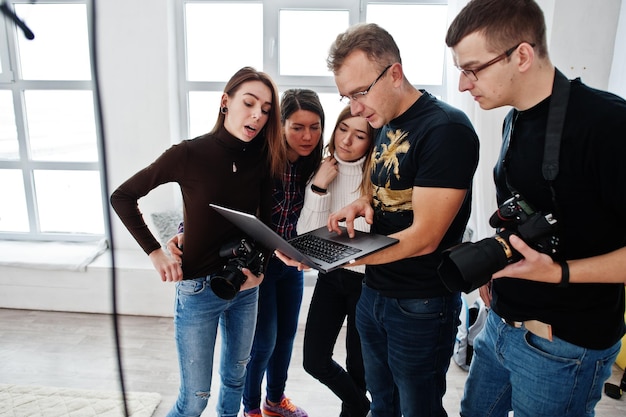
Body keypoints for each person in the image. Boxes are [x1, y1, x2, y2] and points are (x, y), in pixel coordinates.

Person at [276, 23, 480, 417]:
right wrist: (362, 204)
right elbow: (387, 185)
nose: (354, 108)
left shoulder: (446, 130)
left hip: (420, 301)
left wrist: (339, 257)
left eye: (358, 93)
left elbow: (424, 237)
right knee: (381, 402)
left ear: (395, 74)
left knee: (416, 407)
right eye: (346, 97)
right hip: (375, 293)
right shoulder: (385, 121)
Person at [445, 0, 626, 416]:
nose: (462, 85)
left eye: (472, 68)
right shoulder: (516, 118)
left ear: (522, 55)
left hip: (564, 347)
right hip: (500, 328)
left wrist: (560, 272)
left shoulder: (608, 126)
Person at [110, 67, 283, 417]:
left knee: (235, 380)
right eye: (249, 103)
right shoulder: (189, 154)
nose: (257, 115)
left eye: (265, 110)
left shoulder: (263, 157)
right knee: (195, 398)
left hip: (245, 288)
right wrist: (156, 252)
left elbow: (267, 222)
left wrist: (260, 271)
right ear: (225, 102)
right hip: (197, 291)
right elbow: (122, 196)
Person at [168, 88, 324, 417]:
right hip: (258, 264)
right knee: (262, 342)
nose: (307, 136)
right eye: (297, 127)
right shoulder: (261, 160)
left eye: (315, 127)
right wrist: (184, 233)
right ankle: (251, 407)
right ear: (280, 127)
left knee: (285, 339)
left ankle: (274, 401)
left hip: (292, 265)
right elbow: (217, 201)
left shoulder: (317, 167)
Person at [297, 105, 375, 417]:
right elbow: (306, 235)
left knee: (359, 366)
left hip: (367, 280)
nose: (346, 140)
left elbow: (367, 235)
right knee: (313, 360)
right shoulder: (322, 169)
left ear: (371, 142)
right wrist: (319, 186)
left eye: (359, 135)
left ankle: (353, 410)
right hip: (330, 276)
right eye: (343, 129)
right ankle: (362, 405)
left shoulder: (376, 176)